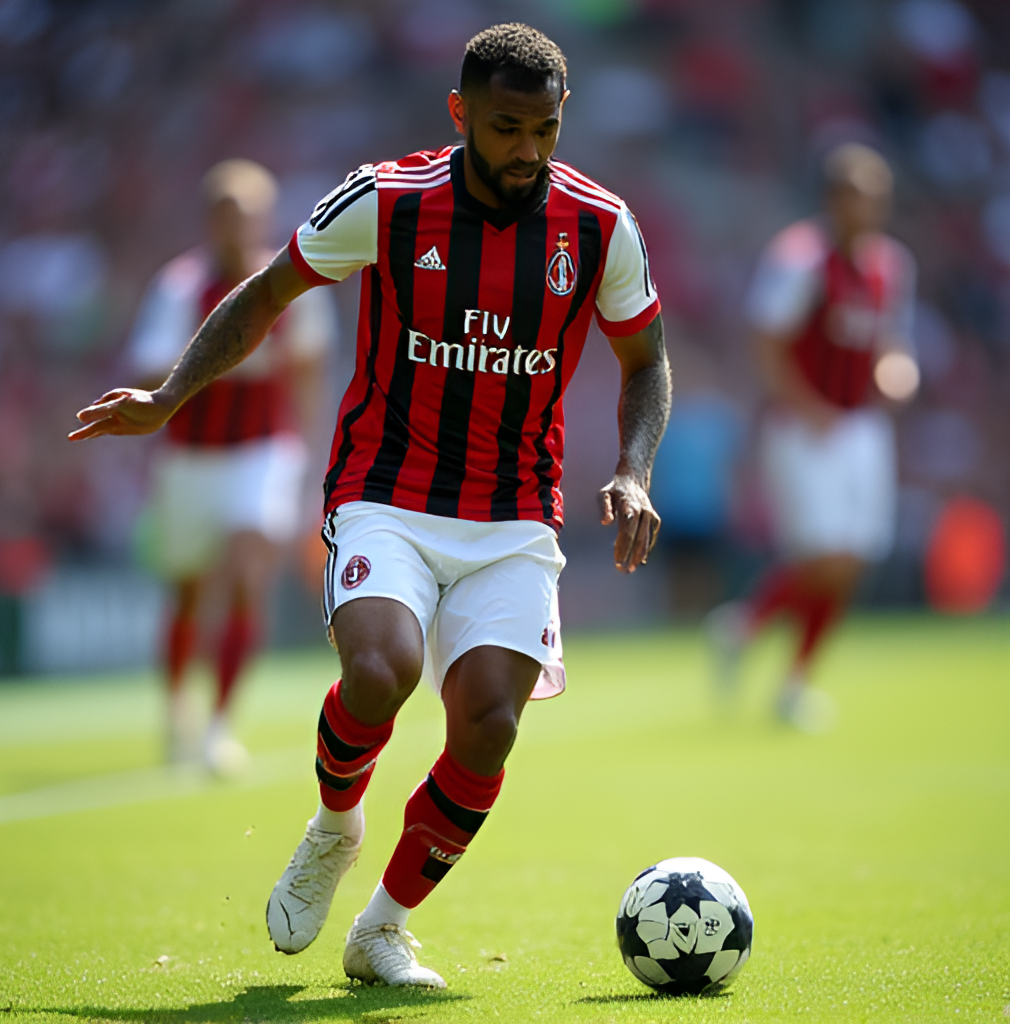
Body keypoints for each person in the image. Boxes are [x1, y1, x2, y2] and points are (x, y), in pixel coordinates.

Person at [71, 24, 670, 988]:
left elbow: (646, 360)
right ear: (460, 112)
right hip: (386, 494)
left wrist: (634, 469)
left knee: (490, 725)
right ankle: (335, 824)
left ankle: (383, 928)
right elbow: (266, 294)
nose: (528, 151)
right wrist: (172, 394)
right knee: (383, 670)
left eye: (546, 130)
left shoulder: (601, 226)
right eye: (507, 128)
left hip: (516, 513)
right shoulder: (387, 200)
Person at [125, 159, 335, 773]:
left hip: (263, 451)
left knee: (247, 571)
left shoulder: (293, 284)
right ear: (209, 222)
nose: (236, 229)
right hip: (190, 458)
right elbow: (149, 369)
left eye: (247, 217)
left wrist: (309, 456)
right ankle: (177, 711)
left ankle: (220, 725)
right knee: (189, 592)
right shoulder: (180, 287)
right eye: (226, 217)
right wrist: (219, 353)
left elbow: (309, 372)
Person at [708, 143, 918, 732]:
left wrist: (898, 372)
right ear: (831, 199)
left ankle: (785, 672)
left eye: (875, 199)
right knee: (825, 557)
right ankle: (748, 628)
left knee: (853, 562)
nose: (867, 210)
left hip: (862, 426)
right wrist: (807, 406)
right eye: (856, 197)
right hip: (804, 426)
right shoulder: (800, 258)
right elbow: (767, 341)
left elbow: (891, 342)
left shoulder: (891, 264)